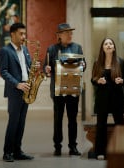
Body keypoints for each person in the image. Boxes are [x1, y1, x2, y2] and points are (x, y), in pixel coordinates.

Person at [44, 23, 86, 156]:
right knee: (58, 119)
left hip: (73, 88)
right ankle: (57, 145)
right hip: (58, 90)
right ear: (59, 35)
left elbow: (83, 65)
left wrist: (83, 65)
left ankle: (73, 146)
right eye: (67, 33)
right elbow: (46, 67)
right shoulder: (52, 49)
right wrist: (46, 69)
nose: (70, 35)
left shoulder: (77, 47)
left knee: (73, 119)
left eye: (70, 33)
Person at [0, 22, 35, 162]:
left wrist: (34, 66)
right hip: (15, 91)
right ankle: (7, 152)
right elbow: (4, 72)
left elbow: (28, 66)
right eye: (21, 34)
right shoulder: (5, 51)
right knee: (13, 122)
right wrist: (17, 84)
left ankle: (17, 151)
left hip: (26, 89)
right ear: (12, 34)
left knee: (21, 122)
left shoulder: (25, 49)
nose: (24, 36)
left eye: (25, 33)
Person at [91, 38, 124, 160]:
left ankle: (121, 150)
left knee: (119, 125)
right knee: (101, 125)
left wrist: (122, 81)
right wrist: (98, 81)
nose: (108, 45)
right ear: (102, 47)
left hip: (117, 98)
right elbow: (93, 79)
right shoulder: (97, 62)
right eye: (106, 44)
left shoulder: (120, 62)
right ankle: (100, 151)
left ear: (114, 47)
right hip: (102, 98)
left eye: (110, 43)